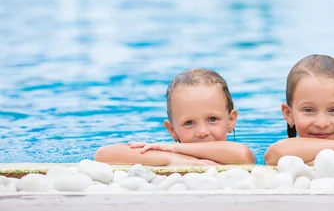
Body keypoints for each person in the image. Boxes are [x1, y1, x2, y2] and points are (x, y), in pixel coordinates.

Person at [94, 68, 255, 166]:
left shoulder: (235, 155)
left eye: (212, 119)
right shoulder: (170, 156)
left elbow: (243, 155)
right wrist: (171, 158)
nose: (202, 131)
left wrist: (174, 147)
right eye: (189, 123)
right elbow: (103, 154)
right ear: (172, 130)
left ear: (231, 120)